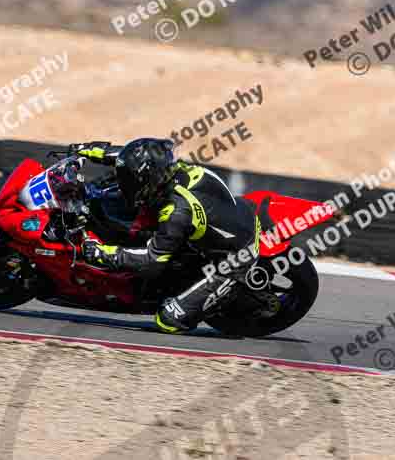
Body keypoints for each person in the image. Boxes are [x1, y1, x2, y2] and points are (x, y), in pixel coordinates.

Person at [70, 138, 260, 333]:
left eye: (131, 182)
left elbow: (152, 260)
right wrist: (90, 150)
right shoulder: (169, 169)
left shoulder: (177, 213)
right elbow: (133, 159)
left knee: (167, 320)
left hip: (236, 258)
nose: (125, 184)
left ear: (151, 181)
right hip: (231, 218)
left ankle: (222, 294)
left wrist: (102, 253)